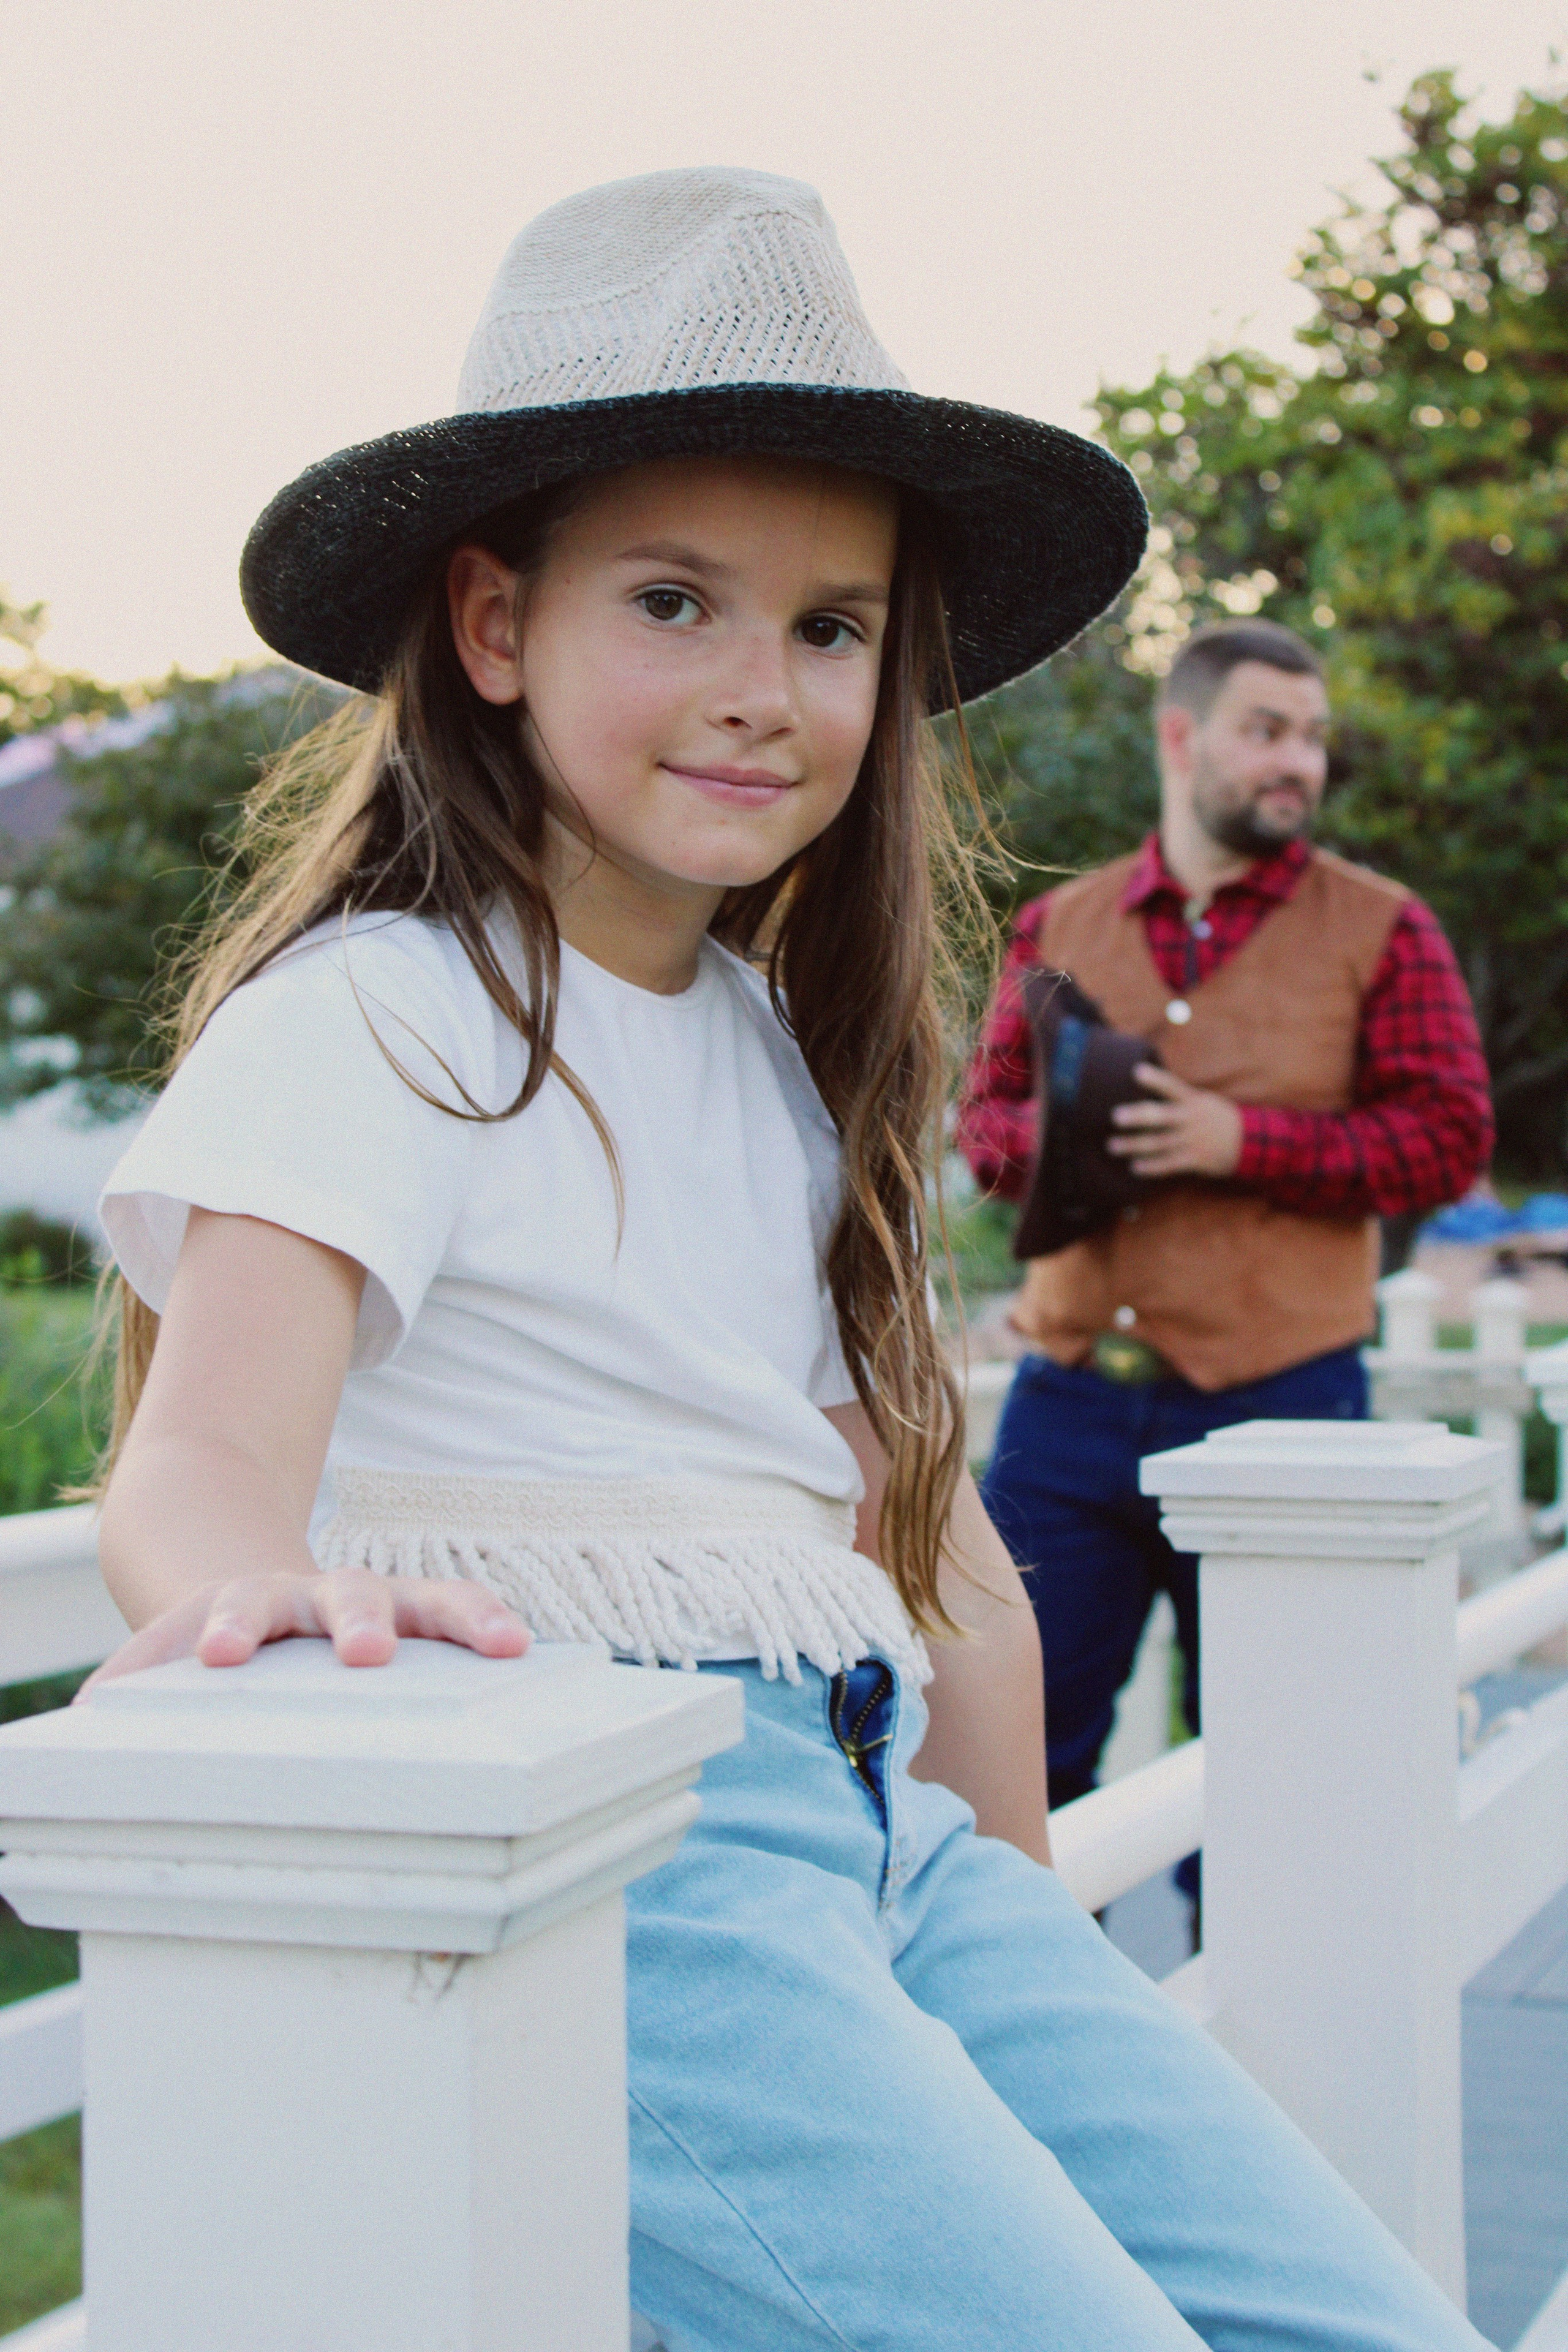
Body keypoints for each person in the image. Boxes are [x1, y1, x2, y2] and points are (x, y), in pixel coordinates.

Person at [84, 172, 1491, 2350]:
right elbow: (195, 1465)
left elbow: (922, 1549)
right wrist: (253, 1598)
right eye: (676, 602)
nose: (765, 690)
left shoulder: (779, 1059)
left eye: (833, 629)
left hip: (883, 1836)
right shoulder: (382, 1017)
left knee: (1368, 2324)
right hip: (636, 1864)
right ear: (492, 625)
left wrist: (1011, 1943)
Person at [959, 619, 1493, 1873]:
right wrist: (1072, 1138)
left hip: (1285, 1402)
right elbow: (984, 1132)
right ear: (1181, 737)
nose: (1298, 762)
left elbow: (1448, 1137)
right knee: (1012, 1765)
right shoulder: (1058, 922)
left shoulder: (1385, 927)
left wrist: (1240, 1141)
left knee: (1277, 1778)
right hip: (1066, 1405)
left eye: (1311, 737)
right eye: (1266, 731)